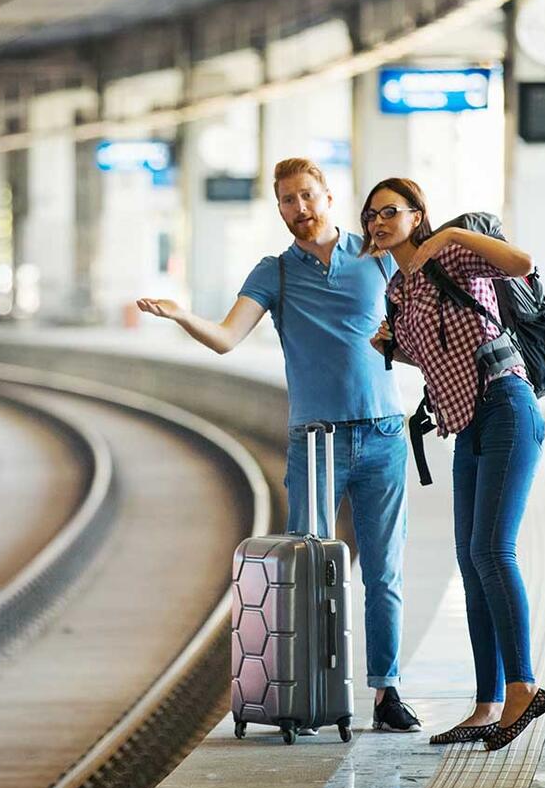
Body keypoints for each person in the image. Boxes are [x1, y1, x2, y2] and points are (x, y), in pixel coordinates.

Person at [137, 158, 420, 733]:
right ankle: (311, 691)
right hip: (315, 442)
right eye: (288, 201)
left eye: (308, 196)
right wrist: (183, 315)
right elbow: (226, 338)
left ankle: (386, 691)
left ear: (329, 196)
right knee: (310, 572)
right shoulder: (275, 272)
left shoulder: (379, 256)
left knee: (383, 573)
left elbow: (424, 315)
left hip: (385, 433)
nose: (300, 209)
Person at [363, 177, 545, 751]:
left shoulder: (456, 251)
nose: (376, 222)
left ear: (418, 214)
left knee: (493, 550)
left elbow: (521, 263)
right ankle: (487, 703)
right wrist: (390, 347)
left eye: (389, 211)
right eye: (370, 215)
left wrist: (448, 235)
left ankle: (523, 687)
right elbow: (431, 354)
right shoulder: (398, 289)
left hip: (506, 406)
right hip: (464, 424)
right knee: (470, 561)